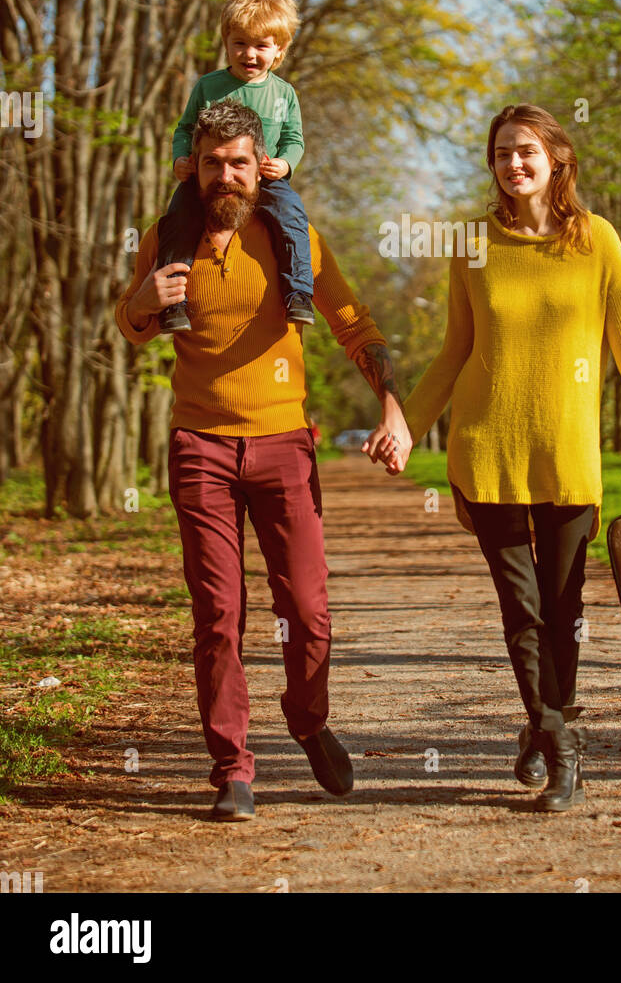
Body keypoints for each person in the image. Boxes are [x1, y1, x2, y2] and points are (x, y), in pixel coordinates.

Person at [383, 104, 621, 813]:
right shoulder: (472, 243)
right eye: (502, 152)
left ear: (557, 159)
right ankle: (559, 739)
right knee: (522, 609)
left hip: (567, 458)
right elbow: (454, 351)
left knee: (563, 609)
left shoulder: (597, 240)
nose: (514, 164)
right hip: (490, 453)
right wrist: (408, 425)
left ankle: (546, 727)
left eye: (527, 151)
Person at [116, 100, 412, 822]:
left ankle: (308, 720)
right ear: (196, 166)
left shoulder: (291, 237)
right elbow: (132, 330)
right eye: (213, 163)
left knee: (308, 607)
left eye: (239, 163)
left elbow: (355, 326)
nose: (226, 176)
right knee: (218, 613)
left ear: (261, 166)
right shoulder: (166, 237)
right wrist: (142, 298)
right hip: (200, 448)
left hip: (284, 444)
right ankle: (232, 768)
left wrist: (394, 409)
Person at [156, 0, 315, 332]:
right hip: (209, 180)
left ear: (279, 50)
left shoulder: (283, 93)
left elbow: (294, 138)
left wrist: (285, 164)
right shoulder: (208, 86)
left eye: (261, 46)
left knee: (292, 215)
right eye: (239, 43)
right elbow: (184, 129)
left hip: (266, 180)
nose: (249, 54)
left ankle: (298, 293)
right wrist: (181, 158)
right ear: (226, 41)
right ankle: (173, 302)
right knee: (177, 219)